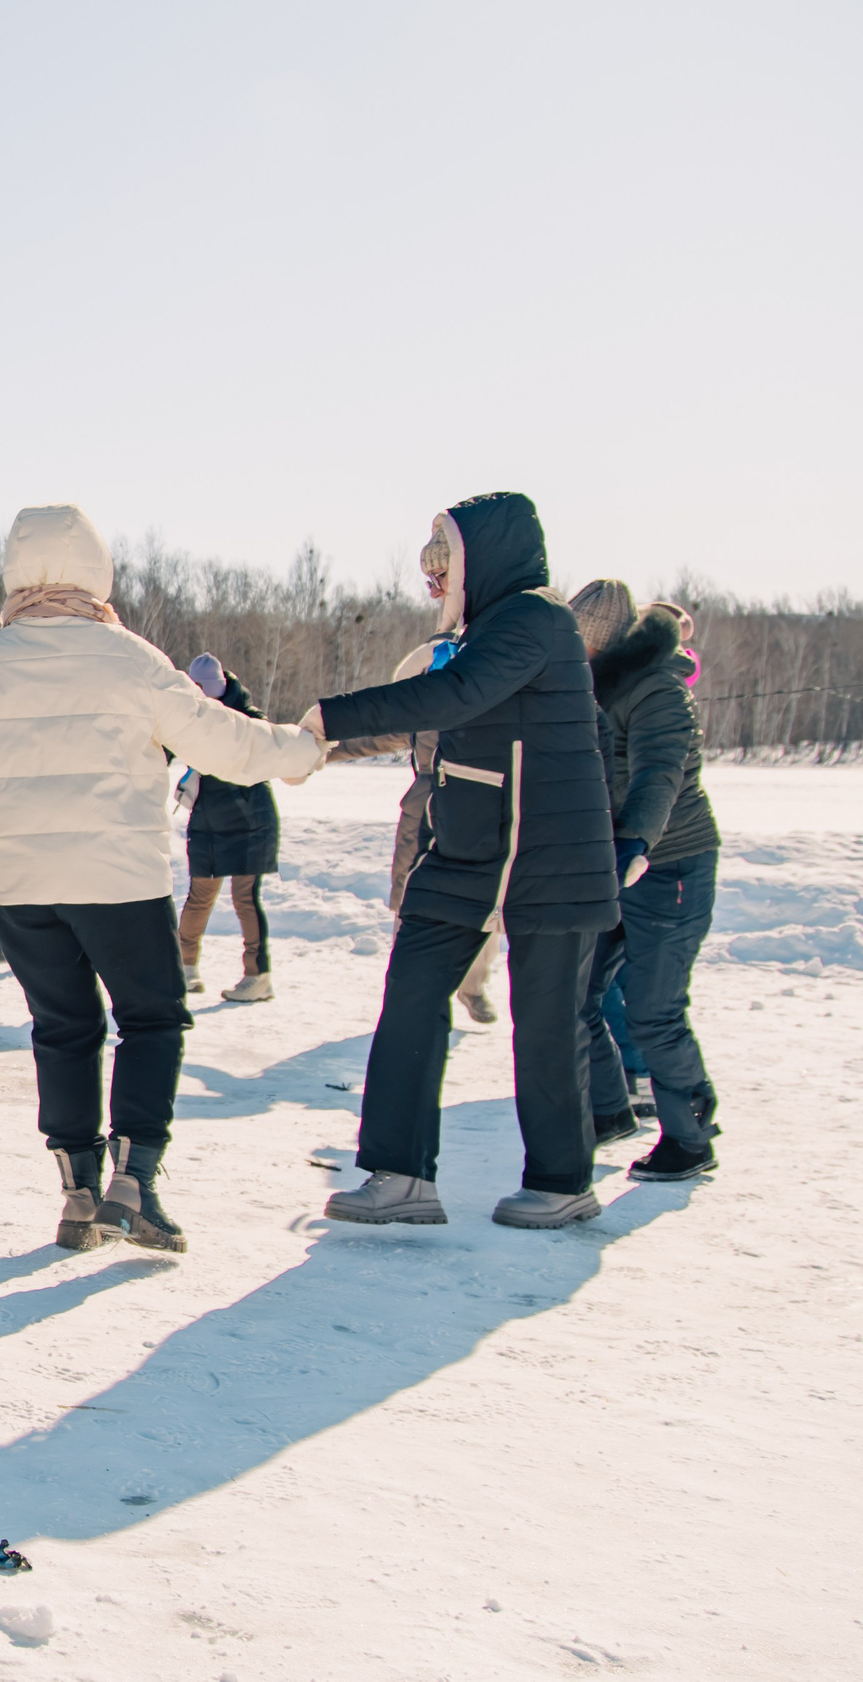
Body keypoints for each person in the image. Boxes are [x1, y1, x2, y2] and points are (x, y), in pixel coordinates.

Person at [0, 504, 324, 1256]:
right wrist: (304, 749)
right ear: (95, 569)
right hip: (115, 876)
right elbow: (227, 743)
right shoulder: (130, 658)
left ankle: (79, 1194)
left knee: (64, 1025)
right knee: (150, 1016)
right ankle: (135, 1183)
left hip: (15, 883)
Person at [311, 494, 621, 1231]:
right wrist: (321, 745)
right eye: (425, 560)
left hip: (551, 857)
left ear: (483, 561)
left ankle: (562, 1179)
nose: (429, 576)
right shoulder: (488, 629)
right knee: (412, 995)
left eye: (441, 560)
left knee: (545, 1022)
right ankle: (400, 1174)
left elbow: (454, 697)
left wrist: (331, 717)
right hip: (470, 854)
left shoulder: (537, 621)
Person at [569, 581, 724, 1182]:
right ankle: (609, 1110)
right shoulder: (597, 684)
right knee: (577, 995)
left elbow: (661, 773)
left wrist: (636, 842)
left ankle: (690, 1138)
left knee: (655, 1010)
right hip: (615, 864)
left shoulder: (656, 686)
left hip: (672, 864)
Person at [327, 628, 505, 1024]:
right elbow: (373, 736)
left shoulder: (486, 701)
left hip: (474, 813)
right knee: (409, 907)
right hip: (422, 813)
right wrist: (320, 749)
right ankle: (406, 995)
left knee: (481, 906)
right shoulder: (422, 710)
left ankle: (473, 986)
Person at [175, 653, 282, 1002]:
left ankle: (257, 975)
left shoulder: (250, 719)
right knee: (199, 896)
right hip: (208, 818)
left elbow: (268, 752)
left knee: (245, 898)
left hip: (250, 818)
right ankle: (185, 968)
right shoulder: (189, 716)